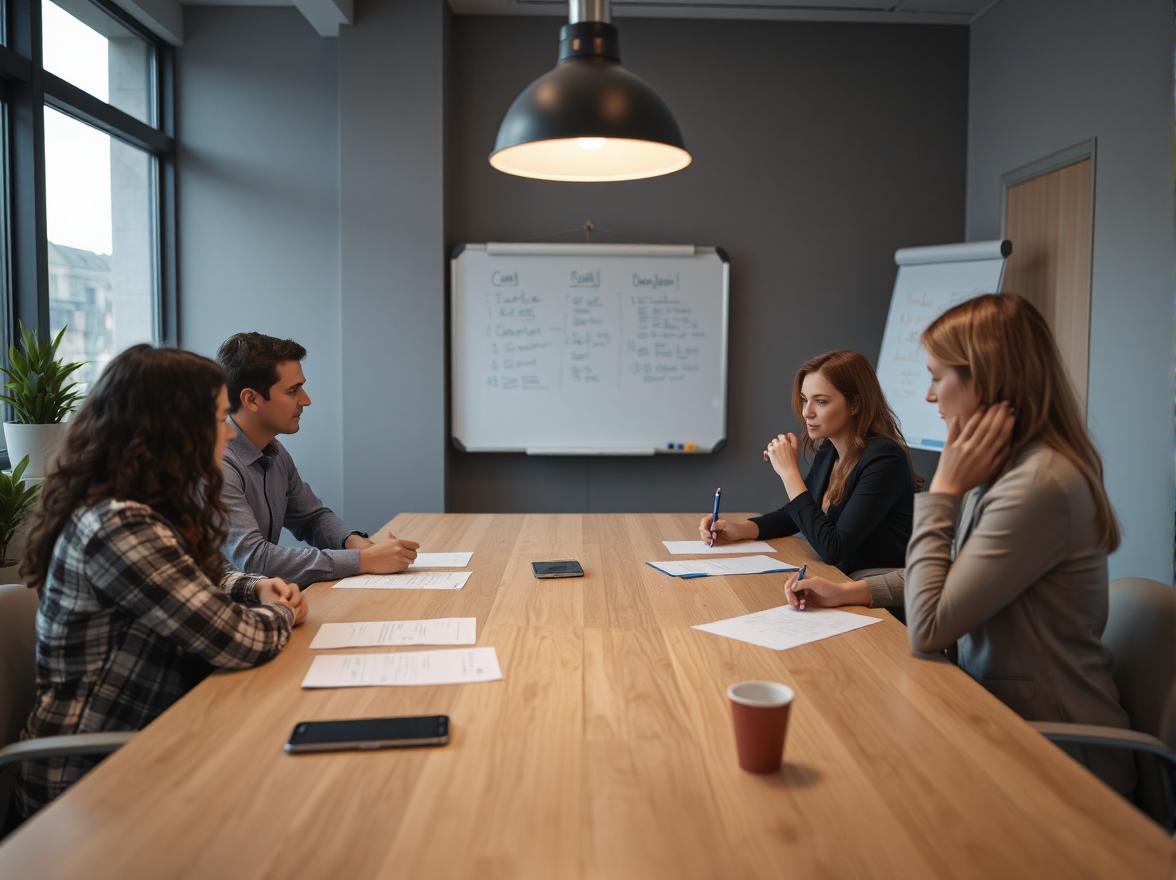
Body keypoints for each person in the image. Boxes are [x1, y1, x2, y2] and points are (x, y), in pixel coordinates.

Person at [783, 294, 1133, 794]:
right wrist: (849, 593)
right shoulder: (1011, 471)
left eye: (936, 376)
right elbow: (949, 571)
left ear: (985, 378)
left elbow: (928, 626)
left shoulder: (1037, 486)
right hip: (994, 712)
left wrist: (943, 492)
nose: (929, 396)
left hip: (1054, 754)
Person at [14, 346, 307, 821]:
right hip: (90, 785)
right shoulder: (119, 524)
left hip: (151, 745)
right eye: (217, 418)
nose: (229, 431)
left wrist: (255, 589)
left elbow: (196, 578)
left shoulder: (141, 508)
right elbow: (238, 639)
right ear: (174, 432)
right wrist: (284, 612)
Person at [216, 333, 417, 587]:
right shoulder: (219, 465)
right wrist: (362, 560)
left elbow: (312, 518)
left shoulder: (274, 452)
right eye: (293, 391)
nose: (306, 400)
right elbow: (254, 559)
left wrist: (356, 543)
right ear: (251, 399)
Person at [699, 350, 918, 575]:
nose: (806, 412)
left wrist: (789, 473)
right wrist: (740, 529)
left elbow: (833, 548)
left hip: (875, 598)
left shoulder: (885, 460)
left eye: (820, 402)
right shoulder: (829, 450)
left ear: (854, 404)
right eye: (805, 400)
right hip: (837, 582)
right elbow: (796, 515)